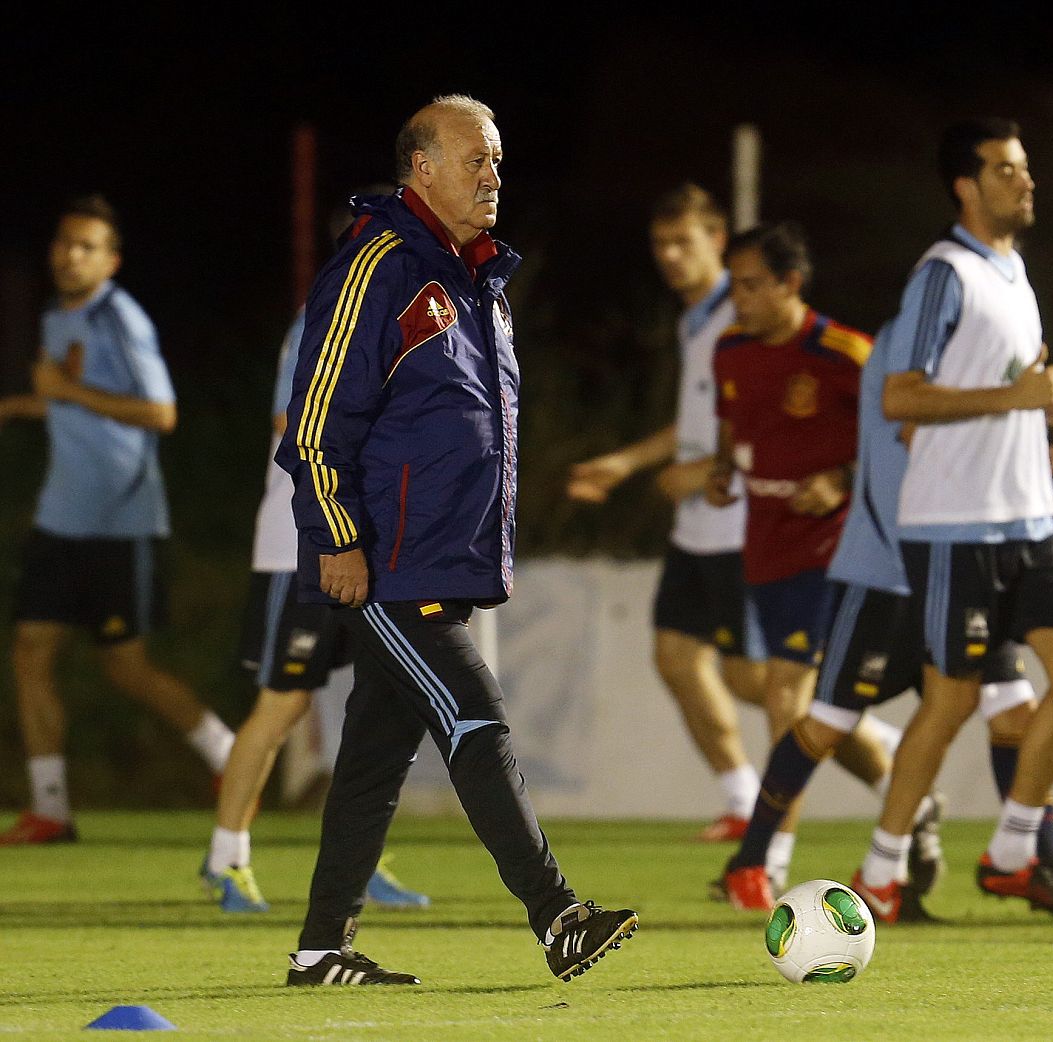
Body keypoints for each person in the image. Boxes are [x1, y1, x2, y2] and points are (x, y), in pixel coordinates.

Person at [275, 95, 636, 986]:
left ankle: (321, 950)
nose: (492, 176)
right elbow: (315, 423)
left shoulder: (478, 280)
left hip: (437, 559)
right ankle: (557, 915)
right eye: (475, 159)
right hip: (386, 562)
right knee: (476, 713)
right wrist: (337, 536)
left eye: (498, 161)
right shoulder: (379, 266)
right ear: (422, 167)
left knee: (372, 762)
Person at [847, 118, 1053, 924]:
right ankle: (879, 872)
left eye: (1024, 168)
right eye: (1005, 170)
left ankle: (1012, 853)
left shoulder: (1016, 273)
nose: (1025, 182)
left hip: (1029, 521)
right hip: (954, 526)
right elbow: (901, 397)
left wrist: (1045, 411)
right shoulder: (943, 274)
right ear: (965, 185)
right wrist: (1016, 397)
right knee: (952, 702)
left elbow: (1005, 387)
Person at [716, 306, 1051, 916]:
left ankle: (1033, 864)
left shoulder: (960, 351)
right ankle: (758, 861)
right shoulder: (899, 352)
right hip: (888, 571)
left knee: (1011, 708)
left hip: (964, 563)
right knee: (829, 717)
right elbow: (907, 438)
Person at [203, 223, 429, 910]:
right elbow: (293, 423)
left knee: (383, 702)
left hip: (364, 545)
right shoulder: (326, 315)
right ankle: (226, 857)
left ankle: (361, 859)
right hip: (298, 546)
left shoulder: (388, 316)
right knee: (283, 703)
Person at [0, 196, 235, 846]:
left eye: (86, 247)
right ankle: (51, 808)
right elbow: (73, 409)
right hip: (60, 519)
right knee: (30, 651)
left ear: (111, 261)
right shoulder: (57, 318)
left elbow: (161, 413)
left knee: (125, 667)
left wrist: (63, 391)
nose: (69, 256)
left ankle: (227, 751)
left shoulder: (121, 317)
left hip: (119, 522)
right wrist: (20, 407)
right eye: (64, 243)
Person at [566, 185, 768, 842]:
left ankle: (886, 758)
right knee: (677, 656)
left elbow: (770, 418)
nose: (671, 256)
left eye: (685, 242)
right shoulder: (694, 321)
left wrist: (708, 471)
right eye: (661, 244)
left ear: (718, 240)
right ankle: (743, 799)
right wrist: (624, 464)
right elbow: (697, 423)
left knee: (756, 681)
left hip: (742, 523)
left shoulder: (742, 313)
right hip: (698, 530)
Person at [705, 221, 896, 889]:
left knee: (787, 694)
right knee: (805, 701)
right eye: (734, 286)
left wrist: (842, 479)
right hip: (765, 547)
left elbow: (900, 436)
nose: (739, 299)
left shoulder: (847, 353)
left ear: (791, 284)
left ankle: (766, 861)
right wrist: (723, 470)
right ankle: (904, 786)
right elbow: (733, 426)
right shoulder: (730, 350)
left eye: (752, 286)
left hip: (835, 550)